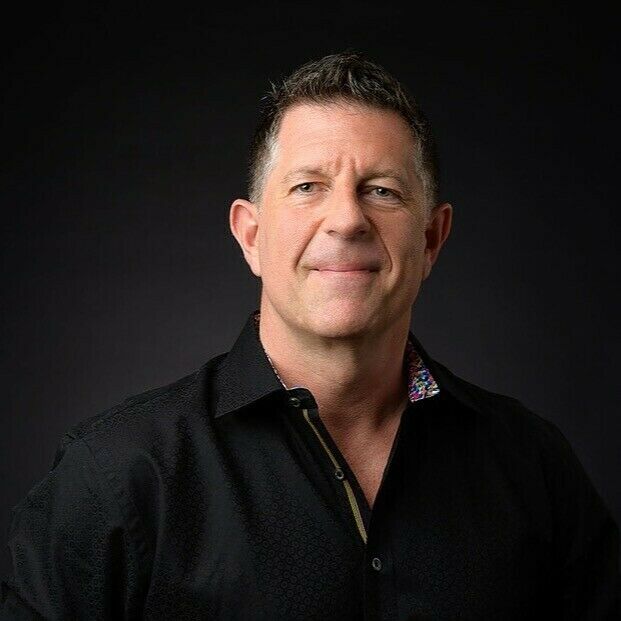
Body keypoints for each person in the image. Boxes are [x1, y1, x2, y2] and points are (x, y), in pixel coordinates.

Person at [1, 51, 619, 620]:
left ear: (431, 239)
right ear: (250, 236)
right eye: (307, 187)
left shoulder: (535, 469)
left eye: (382, 191)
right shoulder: (115, 477)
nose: (347, 219)